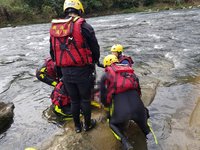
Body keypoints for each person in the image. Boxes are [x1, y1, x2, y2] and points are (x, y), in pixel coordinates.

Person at [49, 0, 100, 133]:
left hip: (65, 71)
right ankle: (87, 125)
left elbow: (52, 52)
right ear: (79, 9)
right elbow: (95, 47)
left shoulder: (56, 28)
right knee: (85, 99)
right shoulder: (84, 26)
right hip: (82, 70)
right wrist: (96, 60)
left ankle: (77, 127)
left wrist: (60, 70)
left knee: (74, 100)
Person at [100, 54, 150, 150]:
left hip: (123, 113)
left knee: (112, 124)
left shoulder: (106, 75)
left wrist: (107, 107)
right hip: (138, 109)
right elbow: (139, 92)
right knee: (146, 129)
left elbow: (104, 98)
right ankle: (148, 137)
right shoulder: (130, 72)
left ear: (106, 65)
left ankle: (125, 143)